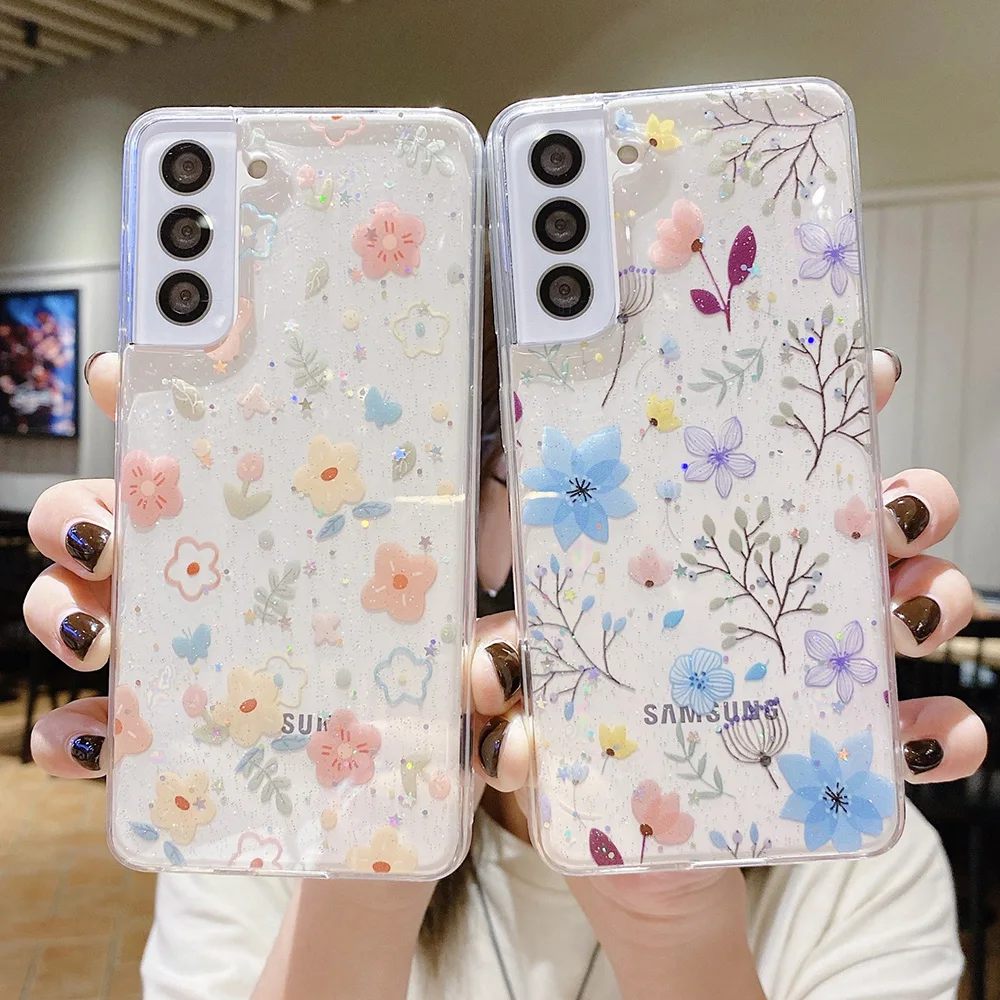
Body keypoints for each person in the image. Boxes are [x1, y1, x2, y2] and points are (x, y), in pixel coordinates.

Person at [23, 306, 985, 999]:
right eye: (524, 464)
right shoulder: (262, 814)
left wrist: (675, 917)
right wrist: (373, 857)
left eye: (665, 471)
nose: (598, 530)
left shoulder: (856, 856)